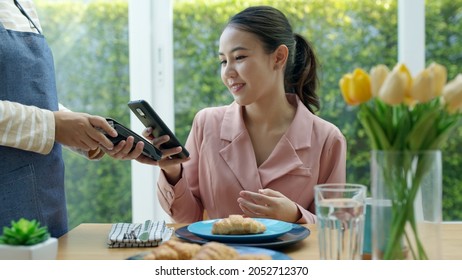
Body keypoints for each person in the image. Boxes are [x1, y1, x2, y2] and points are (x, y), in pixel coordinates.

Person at [137, 5, 346, 224]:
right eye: (223, 61)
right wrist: (172, 171)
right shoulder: (207, 124)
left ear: (279, 57)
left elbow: (337, 228)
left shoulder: (327, 139)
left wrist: (295, 215)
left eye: (239, 57)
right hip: (221, 257)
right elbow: (187, 218)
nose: (227, 73)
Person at [0, 0, 144, 237]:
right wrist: (52, 126)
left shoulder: (23, 6)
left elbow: (26, 94)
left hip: (44, 193)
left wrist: (81, 132)